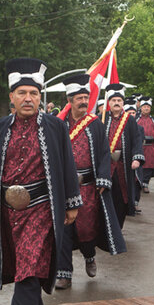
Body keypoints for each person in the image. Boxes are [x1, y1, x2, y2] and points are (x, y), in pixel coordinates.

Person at [0, 58, 81, 305]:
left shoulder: (56, 128)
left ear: (40, 96)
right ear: (12, 97)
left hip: (42, 207)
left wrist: (72, 202)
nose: (28, 99)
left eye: (34, 93)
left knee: (32, 259)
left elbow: (67, 165)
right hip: (8, 211)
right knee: (23, 262)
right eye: (22, 93)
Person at [55, 74, 126, 289]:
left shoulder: (95, 124)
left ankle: (89, 256)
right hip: (64, 188)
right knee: (63, 229)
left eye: (86, 97)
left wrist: (103, 178)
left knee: (85, 230)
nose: (84, 102)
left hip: (88, 187)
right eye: (79, 98)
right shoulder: (58, 125)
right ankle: (64, 274)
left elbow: (105, 152)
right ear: (70, 100)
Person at [103, 83, 144, 228]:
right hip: (106, 166)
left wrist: (137, 158)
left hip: (123, 165)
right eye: (113, 100)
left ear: (123, 103)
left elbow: (137, 140)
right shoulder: (102, 119)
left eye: (119, 101)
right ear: (109, 103)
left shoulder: (129, 120)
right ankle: (106, 229)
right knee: (106, 196)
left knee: (122, 197)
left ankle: (118, 228)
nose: (116, 103)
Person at [135, 97, 154, 193]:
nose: (146, 108)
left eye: (148, 107)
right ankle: (139, 183)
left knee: (149, 166)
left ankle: (145, 184)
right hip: (140, 146)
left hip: (151, 147)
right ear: (141, 108)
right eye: (144, 107)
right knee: (140, 165)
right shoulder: (136, 119)